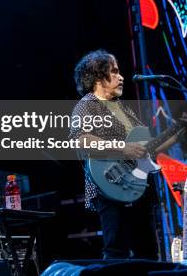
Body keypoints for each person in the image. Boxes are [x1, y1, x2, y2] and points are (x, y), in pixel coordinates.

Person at [69, 50, 164, 260]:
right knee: (116, 250)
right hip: (109, 185)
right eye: (114, 72)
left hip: (136, 184)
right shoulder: (86, 105)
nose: (121, 77)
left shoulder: (121, 109)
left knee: (147, 250)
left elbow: (149, 146)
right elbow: (82, 140)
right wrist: (124, 148)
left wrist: (182, 128)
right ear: (98, 77)